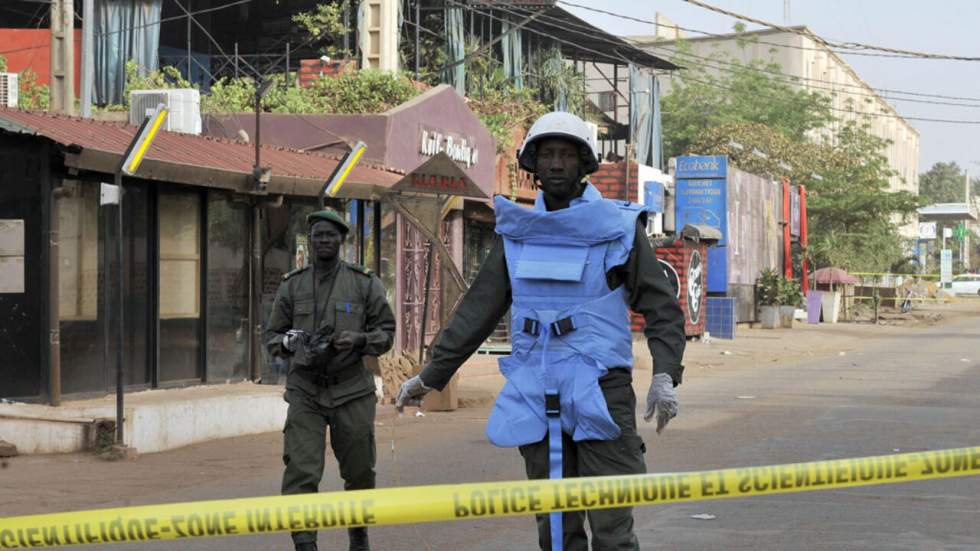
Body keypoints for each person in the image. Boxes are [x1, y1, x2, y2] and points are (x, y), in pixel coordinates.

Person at [397, 112, 686, 551]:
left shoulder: (619, 229)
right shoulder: (518, 232)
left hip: (601, 388)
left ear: (584, 163)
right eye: (546, 154)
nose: (554, 164)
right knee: (554, 528)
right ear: (532, 164)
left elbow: (661, 307)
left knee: (611, 525)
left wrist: (665, 374)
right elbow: (478, 309)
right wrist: (431, 375)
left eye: (566, 155)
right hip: (536, 388)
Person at [267, 209, 396, 551]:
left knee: (359, 472)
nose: (324, 241)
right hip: (305, 390)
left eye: (330, 235)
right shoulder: (292, 285)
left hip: (352, 389)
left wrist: (360, 340)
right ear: (309, 241)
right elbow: (271, 336)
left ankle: (358, 536)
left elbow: (386, 332)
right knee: (301, 470)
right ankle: (305, 544)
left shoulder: (364, 282)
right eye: (318, 235)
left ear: (342, 240)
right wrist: (288, 342)